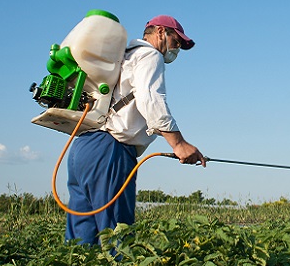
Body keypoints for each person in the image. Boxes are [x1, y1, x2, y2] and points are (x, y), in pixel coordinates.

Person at [65, 15, 205, 245]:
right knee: (117, 237)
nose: (176, 50)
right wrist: (179, 145)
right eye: (176, 42)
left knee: (81, 238)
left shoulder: (124, 56)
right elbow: (150, 99)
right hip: (110, 150)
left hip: (83, 147)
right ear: (160, 32)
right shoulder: (150, 55)